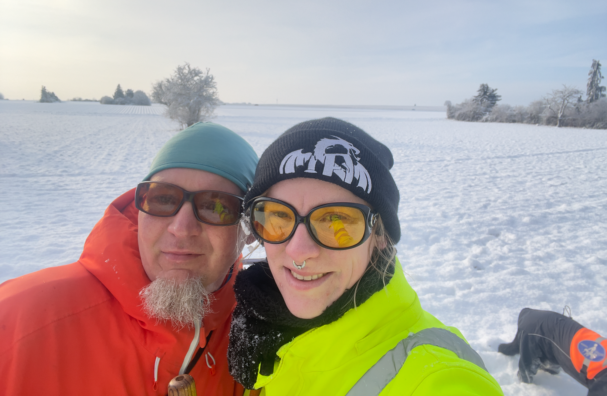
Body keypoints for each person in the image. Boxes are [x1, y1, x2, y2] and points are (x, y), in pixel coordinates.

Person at [228, 117, 503, 395]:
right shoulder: (269, 338)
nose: (299, 251)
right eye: (278, 216)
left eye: (337, 220)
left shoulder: (438, 379)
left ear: (380, 235)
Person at [0, 122, 258, 395]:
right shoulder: (17, 321)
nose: (180, 228)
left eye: (215, 206)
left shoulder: (264, 343)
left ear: (250, 229)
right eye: (163, 199)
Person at [498, 307, 607, 395]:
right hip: (537, 328)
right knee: (527, 372)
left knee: (557, 354)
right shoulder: (603, 383)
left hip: (550, 325)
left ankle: (547, 368)